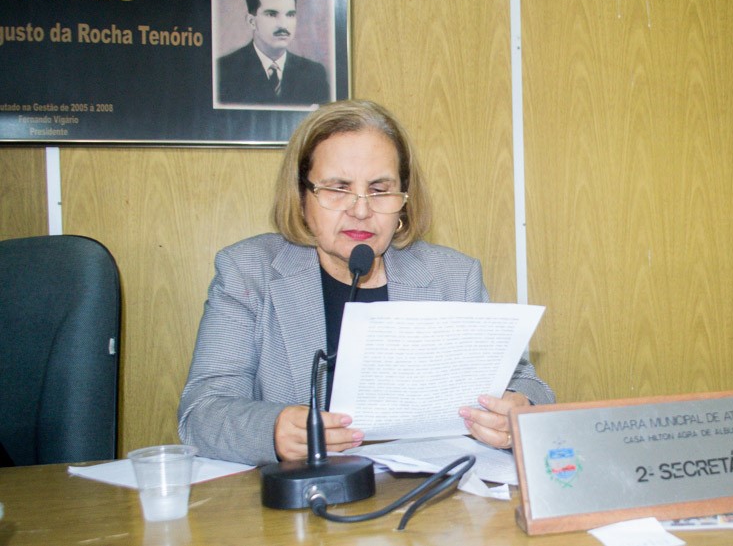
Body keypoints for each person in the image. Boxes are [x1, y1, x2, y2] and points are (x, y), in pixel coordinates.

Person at [178, 100, 555, 466]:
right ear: (302, 197)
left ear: (403, 200)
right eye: (338, 188)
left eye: (379, 190)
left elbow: (528, 386)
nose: (360, 210)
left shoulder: (453, 277)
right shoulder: (248, 271)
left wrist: (516, 410)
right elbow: (202, 412)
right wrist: (273, 430)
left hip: (425, 494)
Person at [217, 0, 330, 106]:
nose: (283, 25)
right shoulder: (223, 70)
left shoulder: (314, 73)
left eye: (290, 15)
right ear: (251, 22)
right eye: (271, 14)